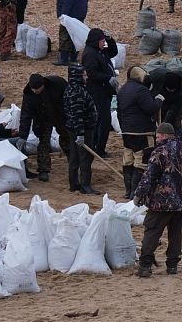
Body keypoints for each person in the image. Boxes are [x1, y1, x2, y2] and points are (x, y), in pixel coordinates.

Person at [134, 123, 182, 278]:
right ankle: (172, 265)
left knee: (152, 231)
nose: (156, 139)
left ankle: (145, 265)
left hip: (162, 201)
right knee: (175, 232)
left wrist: (139, 195)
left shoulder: (160, 151)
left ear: (163, 135)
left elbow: (149, 176)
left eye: (157, 136)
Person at [117, 66, 161, 199]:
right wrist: (159, 100)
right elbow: (150, 108)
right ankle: (135, 192)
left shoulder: (122, 90)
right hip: (142, 132)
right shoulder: (141, 90)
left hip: (126, 132)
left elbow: (119, 112)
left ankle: (128, 190)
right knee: (141, 160)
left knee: (128, 160)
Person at [19, 72, 70, 182]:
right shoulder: (29, 94)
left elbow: (68, 97)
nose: (35, 91)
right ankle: (43, 169)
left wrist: (68, 114)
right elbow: (25, 115)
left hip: (59, 114)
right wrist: (23, 135)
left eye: (38, 89)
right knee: (44, 142)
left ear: (43, 84)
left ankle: (72, 157)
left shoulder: (56, 83)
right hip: (42, 119)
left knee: (66, 135)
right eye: (34, 89)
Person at [81, 27, 117, 158]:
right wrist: (108, 78)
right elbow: (91, 73)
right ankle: (98, 148)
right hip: (97, 92)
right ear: (95, 41)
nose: (104, 43)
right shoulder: (90, 54)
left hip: (105, 91)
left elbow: (113, 52)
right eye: (102, 41)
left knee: (101, 121)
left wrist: (109, 39)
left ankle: (96, 146)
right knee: (104, 121)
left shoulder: (101, 50)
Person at [62, 64, 98, 195]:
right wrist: (81, 134)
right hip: (82, 129)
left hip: (74, 129)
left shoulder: (71, 88)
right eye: (84, 75)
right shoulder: (77, 92)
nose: (86, 77)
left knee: (75, 157)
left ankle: (74, 184)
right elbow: (78, 115)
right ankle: (85, 185)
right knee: (85, 158)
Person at [53, 0, 88, 66]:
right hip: (80, 10)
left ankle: (63, 58)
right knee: (76, 34)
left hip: (70, 11)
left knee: (64, 34)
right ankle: (73, 57)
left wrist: (63, 14)